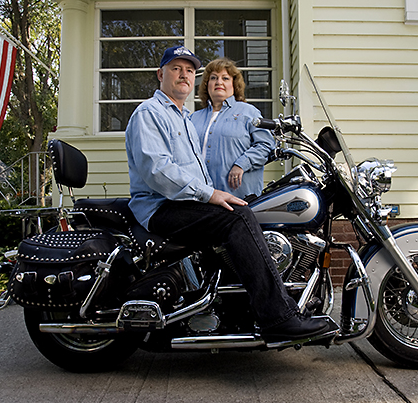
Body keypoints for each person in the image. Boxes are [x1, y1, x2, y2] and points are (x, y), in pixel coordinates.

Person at [125, 45, 334, 342]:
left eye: (189, 70)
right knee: (237, 218)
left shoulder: (183, 117)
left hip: (181, 203)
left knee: (237, 217)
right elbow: (157, 170)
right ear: (161, 74)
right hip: (162, 207)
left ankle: (236, 310)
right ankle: (279, 317)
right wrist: (210, 194)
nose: (184, 75)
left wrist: (212, 191)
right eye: (176, 68)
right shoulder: (151, 113)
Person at [191, 58, 274, 199]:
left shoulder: (249, 113)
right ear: (206, 85)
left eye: (225, 78)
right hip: (202, 200)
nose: (219, 82)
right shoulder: (193, 118)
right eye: (213, 78)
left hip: (239, 199)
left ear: (234, 84)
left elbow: (266, 145)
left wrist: (241, 164)